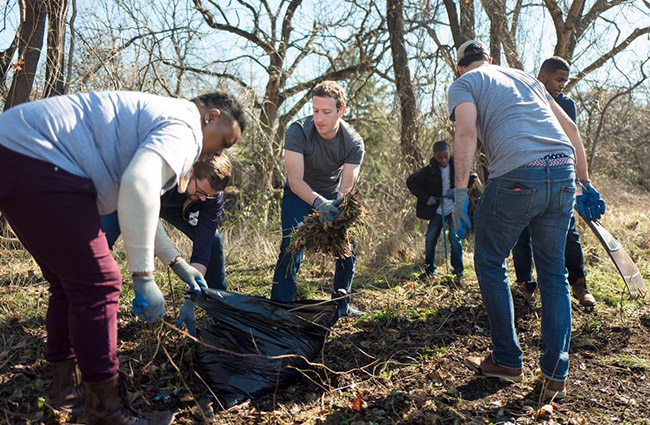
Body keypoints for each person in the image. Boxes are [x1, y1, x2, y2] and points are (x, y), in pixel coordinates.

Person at [0, 90, 246, 424]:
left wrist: (176, 263)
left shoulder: (161, 118)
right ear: (212, 116)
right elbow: (138, 183)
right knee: (99, 284)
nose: (219, 150)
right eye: (224, 141)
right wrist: (143, 277)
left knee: (68, 284)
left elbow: (142, 206)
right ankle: (109, 415)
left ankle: (66, 400)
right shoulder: (186, 126)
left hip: (14, 148)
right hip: (41, 158)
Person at [447, 41, 605, 400]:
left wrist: (459, 194)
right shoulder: (524, 78)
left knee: (489, 261)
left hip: (518, 176)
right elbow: (572, 131)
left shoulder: (464, 84)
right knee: (553, 272)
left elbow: (466, 132)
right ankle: (555, 374)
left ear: (460, 67)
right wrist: (585, 182)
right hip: (562, 171)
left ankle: (507, 360)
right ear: (490, 60)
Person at [101, 154, 232, 337]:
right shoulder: (166, 169)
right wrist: (151, 274)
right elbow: (142, 215)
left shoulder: (209, 198)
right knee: (100, 242)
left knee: (214, 241)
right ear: (190, 172)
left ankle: (220, 305)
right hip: (137, 194)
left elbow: (203, 250)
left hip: (180, 206)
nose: (203, 199)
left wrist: (190, 299)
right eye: (201, 191)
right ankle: (93, 303)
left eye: (208, 196)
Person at [270, 80, 365, 317]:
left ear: (341, 111)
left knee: (348, 247)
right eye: (315, 111)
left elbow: (346, 186)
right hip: (299, 195)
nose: (319, 118)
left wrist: (336, 206)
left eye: (326, 112)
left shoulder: (353, 142)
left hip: (333, 196)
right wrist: (318, 203)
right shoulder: (298, 131)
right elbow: (295, 181)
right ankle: (280, 306)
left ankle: (341, 304)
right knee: (291, 245)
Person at [512, 57, 596, 307]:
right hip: (527, 174)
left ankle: (579, 285)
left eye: (565, 81)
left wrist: (582, 183)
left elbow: (572, 142)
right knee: (521, 233)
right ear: (543, 75)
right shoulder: (522, 98)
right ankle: (525, 286)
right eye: (559, 80)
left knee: (569, 233)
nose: (562, 85)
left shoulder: (566, 104)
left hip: (560, 177)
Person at [406, 140, 475, 282]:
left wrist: (457, 191)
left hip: (454, 207)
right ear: (434, 156)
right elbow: (411, 181)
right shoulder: (429, 170)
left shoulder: (457, 165)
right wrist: (426, 198)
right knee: (430, 238)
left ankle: (458, 273)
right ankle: (430, 270)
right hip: (438, 209)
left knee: (454, 239)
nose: (443, 160)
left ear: (449, 153)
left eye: (446, 156)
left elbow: (473, 177)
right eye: (439, 157)